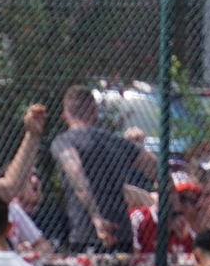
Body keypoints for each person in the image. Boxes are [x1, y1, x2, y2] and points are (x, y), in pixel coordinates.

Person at [51, 85, 156, 252]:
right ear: (95, 111)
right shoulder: (116, 142)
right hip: (122, 235)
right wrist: (173, 211)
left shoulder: (65, 141)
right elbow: (157, 167)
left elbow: (76, 172)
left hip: (87, 236)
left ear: (65, 116)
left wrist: (96, 216)